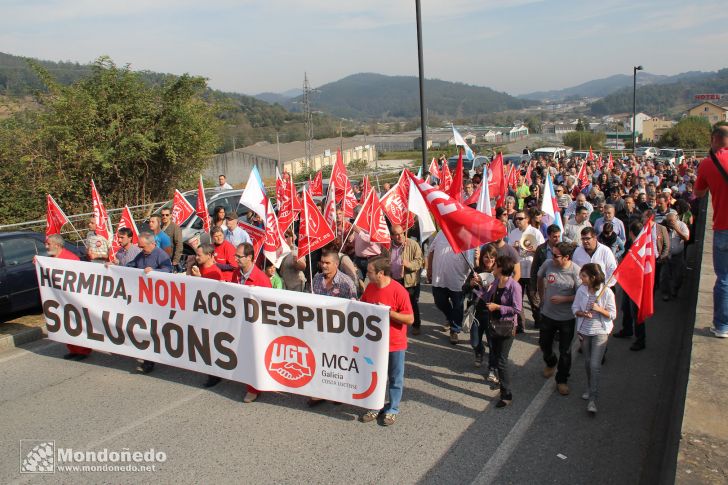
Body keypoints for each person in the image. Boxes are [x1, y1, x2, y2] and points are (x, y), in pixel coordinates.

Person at [359, 256, 414, 426]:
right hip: (375, 342)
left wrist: (390, 313)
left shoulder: (399, 291)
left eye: (369, 272)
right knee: (376, 375)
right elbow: (363, 306)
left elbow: (410, 319)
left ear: (380, 273)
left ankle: (393, 409)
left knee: (395, 377)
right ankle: (376, 406)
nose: (367, 275)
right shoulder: (370, 287)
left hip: (395, 343)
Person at [694, 121, 728, 338]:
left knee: (724, 278)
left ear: (714, 138)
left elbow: (698, 193)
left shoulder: (708, 163)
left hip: (723, 227)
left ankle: (722, 326)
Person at [537, 242, 581, 396]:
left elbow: (581, 295)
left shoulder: (576, 271)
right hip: (548, 315)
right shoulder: (548, 264)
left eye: (556, 255)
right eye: (552, 254)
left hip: (566, 319)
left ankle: (562, 380)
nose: (552, 258)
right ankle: (550, 362)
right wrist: (541, 297)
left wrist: (565, 299)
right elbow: (539, 278)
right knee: (544, 344)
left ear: (566, 257)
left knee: (565, 351)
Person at [125, 232, 173, 374]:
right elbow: (131, 265)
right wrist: (116, 266)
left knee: (154, 329)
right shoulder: (142, 254)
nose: (141, 249)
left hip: (157, 300)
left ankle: (153, 358)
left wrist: (154, 271)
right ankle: (148, 358)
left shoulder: (161, 255)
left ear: (152, 244)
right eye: (140, 247)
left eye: (143, 247)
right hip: (144, 299)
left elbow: (168, 271)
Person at [573, 263, 616, 415]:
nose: (581, 279)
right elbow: (574, 308)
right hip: (584, 331)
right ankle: (590, 386)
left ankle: (592, 398)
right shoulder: (581, 290)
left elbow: (612, 314)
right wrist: (582, 313)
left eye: (584, 276)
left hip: (600, 332)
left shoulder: (607, 292)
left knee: (594, 365)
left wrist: (599, 310)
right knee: (587, 362)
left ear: (593, 277)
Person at [232, 242, 271, 403]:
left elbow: (269, 304)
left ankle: (253, 389)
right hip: (240, 321)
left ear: (249, 258)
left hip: (256, 325)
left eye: (239, 257)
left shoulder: (261, 279)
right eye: (236, 256)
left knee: (254, 354)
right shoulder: (236, 273)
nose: (236, 259)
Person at [482, 255, 522, 408]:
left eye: (495, 264)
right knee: (496, 355)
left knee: (502, 360)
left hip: (506, 327)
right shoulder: (495, 282)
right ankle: (501, 383)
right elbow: (486, 298)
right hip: (494, 324)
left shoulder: (514, 286)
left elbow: (517, 309)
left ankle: (506, 394)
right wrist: (479, 286)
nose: (493, 266)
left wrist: (498, 307)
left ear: (501, 268)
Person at [45, 234, 92, 360]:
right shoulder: (50, 259)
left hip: (72, 298)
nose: (46, 246)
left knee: (76, 324)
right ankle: (73, 349)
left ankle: (83, 350)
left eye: (48, 243)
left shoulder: (71, 258)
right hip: (59, 299)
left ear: (57, 245)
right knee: (65, 324)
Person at [188, 244, 226, 389]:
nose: (197, 257)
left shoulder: (215, 272)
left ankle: (215, 375)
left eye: (199, 255)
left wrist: (201, 278)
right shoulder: (200, 268)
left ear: (209, 256)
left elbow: (214, 294)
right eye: (196, 255)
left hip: (212, 315)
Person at [427, 230, 471, 344]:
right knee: (439, 302)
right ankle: (451, 319)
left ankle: (455, 330)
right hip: (439, 277)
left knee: (458, 305)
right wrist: (429, 269)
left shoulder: (465, 235)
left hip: (457, 280)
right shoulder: (441, 233)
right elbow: (431, 251)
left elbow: (471, 260)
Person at [464, 244, 497, 380]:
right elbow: (464, 289)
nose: (488, 260)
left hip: (492, 314)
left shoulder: (498, 273)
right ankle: (479, 352)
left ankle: (492, 369)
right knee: (474, 342)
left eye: (491, 257)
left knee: (493, 344)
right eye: (486, 257)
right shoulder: (476, 271)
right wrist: (471, 284)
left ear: (496, 259)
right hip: (476, 312)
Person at [508, 209, 545, 332]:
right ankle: (519, 325)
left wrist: (530, 249)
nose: (517, 221)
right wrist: (514, 248)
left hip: (531, 271)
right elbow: (509, 251)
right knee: (517, 299)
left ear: (527, 219)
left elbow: (542, 251)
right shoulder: (513, 233)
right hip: (517, 271)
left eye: (520, 219)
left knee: (534, 298)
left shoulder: (536, 233)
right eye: (516, 219)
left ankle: (539, 321)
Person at [389, 225, 424, 335]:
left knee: (412, 303)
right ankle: (397, 324)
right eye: (396, 234)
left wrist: (408, 264)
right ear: (392, 236)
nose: (400, 236)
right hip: (394, 279)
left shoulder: (412, 244)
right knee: (395, 304)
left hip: (409, 280)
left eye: (401, 233)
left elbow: (420, 261)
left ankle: (416, 325)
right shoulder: (388, 246)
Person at [660, 210, 689, 301]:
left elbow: (686, 238)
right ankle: (665, 293)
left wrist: (676, 229)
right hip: (666, 255)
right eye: (669, 221)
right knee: (664, 276)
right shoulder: (663, 227)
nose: (671, 223)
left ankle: (675, 289)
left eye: (672, 221)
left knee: (678, 275)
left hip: (678, 255)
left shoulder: (682, 225)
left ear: (676, 219)